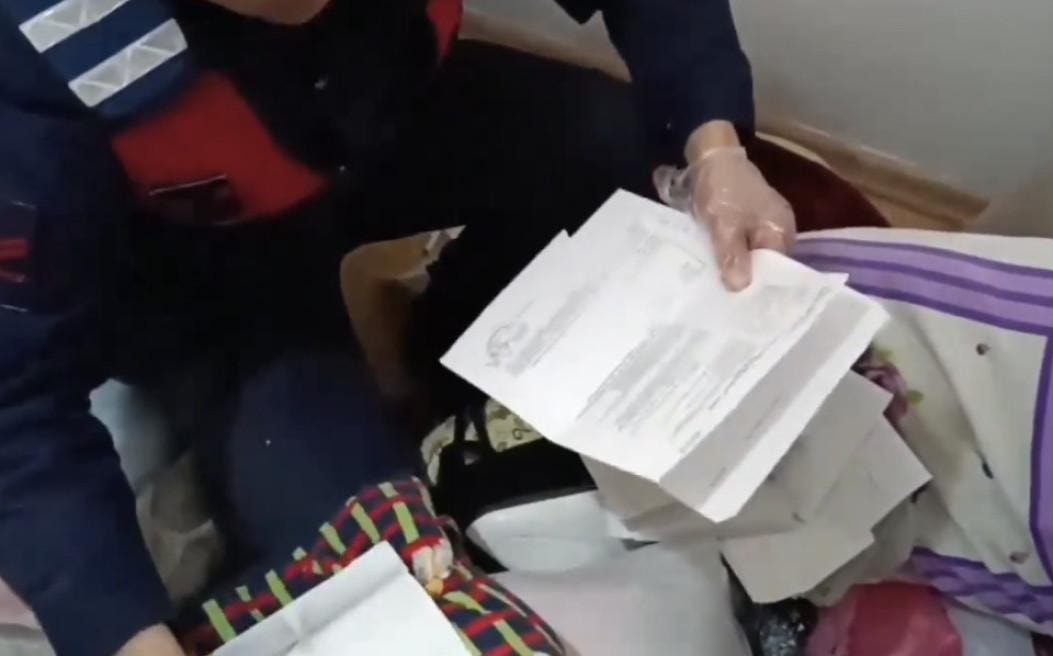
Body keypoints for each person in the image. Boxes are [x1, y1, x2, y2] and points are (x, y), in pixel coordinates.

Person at [0, 0, 796, 654]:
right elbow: (17, 402)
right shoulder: (35, 44)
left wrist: (716, 150)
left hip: (384, 111)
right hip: (203, 263)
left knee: (624, 150)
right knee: (368, 566)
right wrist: (125, 637)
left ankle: (459, 360)